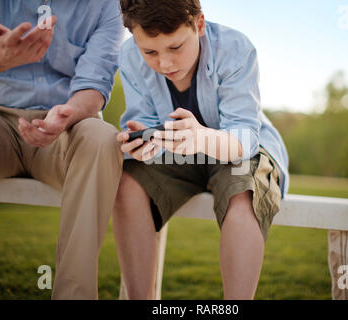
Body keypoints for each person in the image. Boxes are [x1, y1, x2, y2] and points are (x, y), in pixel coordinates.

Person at [114, 0, 290, 299]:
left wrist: (202, 139)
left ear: (199, 24)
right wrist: (139, 145)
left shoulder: (236, 48)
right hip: (176, 154)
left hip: (237, 150)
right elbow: (142, 120)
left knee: (242, 192)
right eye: (150, 52)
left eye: (176, 47)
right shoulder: (129, 57)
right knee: (128, 183)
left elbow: (244, 138)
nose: (165, 64)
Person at [0, 0, 124, 299]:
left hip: (68, 129)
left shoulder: (108, 6)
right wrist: (1, 56)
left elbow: (95, 85)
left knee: (103, 139)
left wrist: (65, 113)